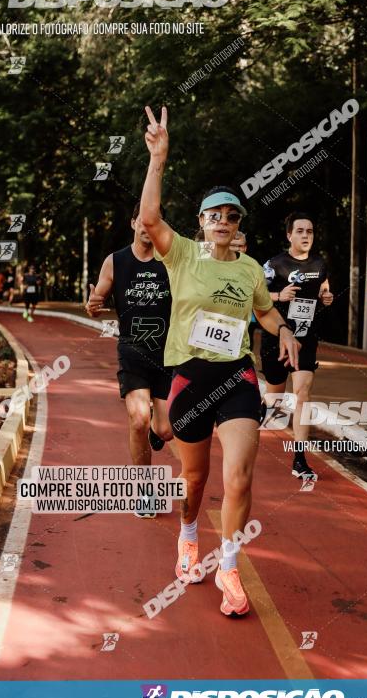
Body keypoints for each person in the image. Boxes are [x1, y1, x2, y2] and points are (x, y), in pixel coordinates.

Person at [139, 105, 300, 617]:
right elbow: (149, 219)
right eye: (214, 215)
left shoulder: (252, 268)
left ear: (238, 224)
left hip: (235, 377)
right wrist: (158, 158)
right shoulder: (183, 253)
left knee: (240, 477)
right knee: (195, 481)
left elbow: (267, 314)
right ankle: (188, 535)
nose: (223, 222)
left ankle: (229, 567)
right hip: (190, 375)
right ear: (202, 223)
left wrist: (286, 330)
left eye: (231, 216)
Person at [86, 202, 174, 517]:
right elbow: (97, 299)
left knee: (165, 430)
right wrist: (93, 305)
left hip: (168, 354)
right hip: (133, 351)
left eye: (154, 222)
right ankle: (146, 489)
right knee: (138, 419)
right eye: (142, 220)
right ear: (133, 222)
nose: (146, 227)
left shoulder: (172, 261)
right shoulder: (116, 261)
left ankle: (156, 431)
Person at [260, 212, 333, 480]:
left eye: (310, 231)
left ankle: (300, 459)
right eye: (300, 231)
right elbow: (254, 296)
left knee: (303, 393)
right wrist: (279, 295)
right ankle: (261, 408)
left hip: (306, 338)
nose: (305, 236)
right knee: (274, 398)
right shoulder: (275, 264)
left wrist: (326, 297)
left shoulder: (320, 263)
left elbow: (324, 287)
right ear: (289, 235)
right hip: (276, 338)